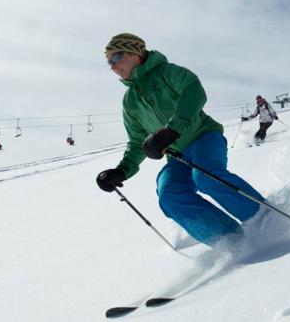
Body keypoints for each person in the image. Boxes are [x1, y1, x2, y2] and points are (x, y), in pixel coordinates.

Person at [95, 33, 264, 246]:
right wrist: (122, 171)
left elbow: (193, 90)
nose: (112, 66)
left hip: (203, 137)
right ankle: (230, 240)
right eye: (108, 62)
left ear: (134, 52)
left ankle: (264, 218)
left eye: (115, 57)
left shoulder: (166, 72)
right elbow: (137, 142)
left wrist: (173, 128)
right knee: (170, 195)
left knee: (206, 176)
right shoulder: (130, 102)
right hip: (176, 157)